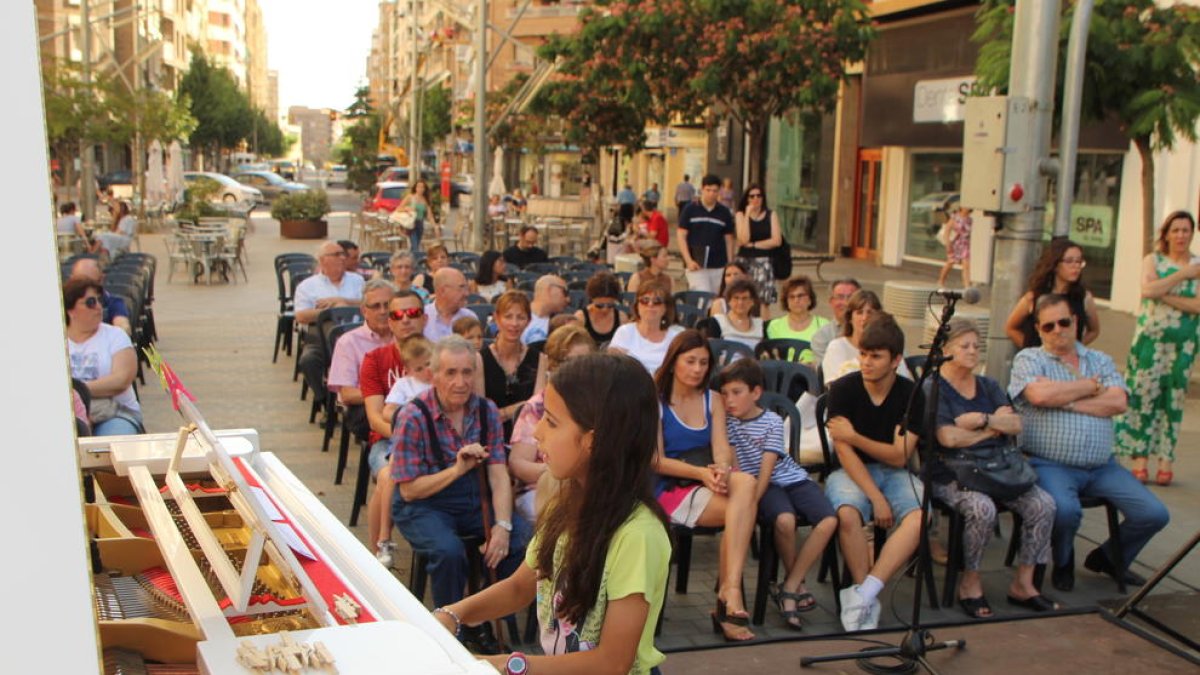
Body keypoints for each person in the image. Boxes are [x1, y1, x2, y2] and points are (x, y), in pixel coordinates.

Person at [432, 352, 670, 674]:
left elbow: (612, 662)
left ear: (593, 442)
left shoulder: (637, 536)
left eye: (552, 421)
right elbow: (520, 587)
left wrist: (506, 665)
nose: (537, 432)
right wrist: (451, 614)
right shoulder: (566, 503)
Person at [1008, 294, 1169, 593]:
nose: (1057, 330)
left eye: (1064, 322)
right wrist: (1090, 388)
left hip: (1102, 466)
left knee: (1154, 514)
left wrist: (1065, 401)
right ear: (1039, 330)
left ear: (1076, 322)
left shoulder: (1101, 360)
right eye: (1048, 326)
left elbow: (1119, 401)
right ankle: (1064, 560)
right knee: (1066, 511)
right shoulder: (1030, 359)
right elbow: (1040, 397)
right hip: (1050, 462)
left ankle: (1108, 557)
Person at [390, 336, 529, 650]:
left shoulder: (486, 411)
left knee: (521, 541)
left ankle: (476, 616)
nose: (461, 381)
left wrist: (503, 526)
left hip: (472, 498)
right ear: (434, 375)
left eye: (467, 372)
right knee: (448, 551)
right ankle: (447, 631)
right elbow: (409, 490)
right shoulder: (414, 416)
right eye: (451, 373)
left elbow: (497, 473)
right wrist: (456, 469)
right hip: (424, 504)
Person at [929, 318, 1058, 617]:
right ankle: (970, 581)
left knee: (1044, 504)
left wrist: (982, 421)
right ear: (946, 350)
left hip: (997, 468)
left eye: (977, 346)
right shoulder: (934, 388)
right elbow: (948, 437)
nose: (974, 352)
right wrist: (993, 428)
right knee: (982, 509)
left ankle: (1023, 584)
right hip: (952, 472)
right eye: (965, 346)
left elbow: (1014, 423)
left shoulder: (988, 385)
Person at [652, 330, 758, 641]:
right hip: (670, 487)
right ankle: (728, 597)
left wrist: (722, 469)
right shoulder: (656, 400)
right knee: (742, 510)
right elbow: (654, 460)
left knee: (743, 487)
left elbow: (722, 446)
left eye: (703, 362)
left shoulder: (712, 399)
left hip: (708, 481)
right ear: (673, 363)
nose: (697, 369)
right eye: (690, 361)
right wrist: (702, 474)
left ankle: (730, 588)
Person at [718, 359, 836, 630]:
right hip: (760, 486)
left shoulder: (771, 421)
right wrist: (748, 504)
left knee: (829, 520)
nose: (729, 400)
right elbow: (737, 467)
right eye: (725, 394)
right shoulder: (729, 424)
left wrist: (750, 501)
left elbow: (770, 466)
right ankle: (794, 591)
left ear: (756, 393)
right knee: (785, 521)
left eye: (737, 392)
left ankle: (792, 584)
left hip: (789, 479)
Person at [824, 313, 924, 632]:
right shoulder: (842, 388)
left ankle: (867, 593)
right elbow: (844, 452)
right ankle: (860, 591)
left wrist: (854, 436)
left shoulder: (912, 394)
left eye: (876, 356)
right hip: (851, 471)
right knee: (848, 514)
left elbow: (899, 456)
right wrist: (875, 497)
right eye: (863, 354)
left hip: (895, 473)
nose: (866, 362)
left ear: (895, 360)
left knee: (922, 516)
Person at [1115, 211, 1200, 486]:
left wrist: (1163, 292)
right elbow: (1147, 290)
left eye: (1186, 230)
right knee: (1143, 395)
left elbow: (1198, 306)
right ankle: (1140, 459)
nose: (1181, 236)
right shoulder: (1153, 260)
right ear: (1166, 234)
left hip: (1182, 344)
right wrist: (1183, 275)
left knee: (1173, 399)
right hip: (1150, 341)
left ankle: (1166, 460)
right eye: (1175, 230)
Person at [359, 290, 428, 566]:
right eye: (397, 315)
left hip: (435, 441)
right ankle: (377, 551)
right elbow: (376, 418)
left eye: (412, 313)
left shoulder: (439, 355)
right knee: (388, 475)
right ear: (390, 322)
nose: (405, 320)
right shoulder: (375, 360)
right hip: (388, 441)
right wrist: (410, 437)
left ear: (424, 318)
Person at [509, 325, 596, 523]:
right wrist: (558, 472)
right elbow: (518, 463)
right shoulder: (537, 407)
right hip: (540, 486)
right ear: (554, 366)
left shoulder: (600, 404)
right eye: (572, 362)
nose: (580, 370)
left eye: (586, 363)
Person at [63, 278, 142, 436]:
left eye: (100, 301)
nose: (98, 307)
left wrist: (77, 390)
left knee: (112, 445)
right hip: (70, 412)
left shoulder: (115, 336)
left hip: (115, 413)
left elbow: (121, 380)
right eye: (91, 302)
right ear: (70, 310)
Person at [326, 279, 397, 441]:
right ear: (364, 311)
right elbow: (348, 394)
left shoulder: (406, 337)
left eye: (388, 305)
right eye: (376, 306)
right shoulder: (348, 342)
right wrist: (385, 395)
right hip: (362, 408)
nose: (383, 311)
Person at [1003, 238, 1100, 348]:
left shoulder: (1084, 297)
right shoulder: (1033, 297)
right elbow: (1011, 328)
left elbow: (1094, 331)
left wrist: (1075, 348)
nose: (1075, 266)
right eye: (1069, 261)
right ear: (1055, 265)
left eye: (1079, 261)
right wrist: (1030, 349)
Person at [478, 291, 542, 438]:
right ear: (497, 318)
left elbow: (537, 412)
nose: (514, 323)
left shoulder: (538, 359)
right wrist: (518, 408)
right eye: (508, 316)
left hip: (527, 439)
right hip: (490, 438)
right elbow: (481, 416)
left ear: (528, 321)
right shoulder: (480, 359)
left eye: (520, 317)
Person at [822, 291, 913, 386]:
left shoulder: (890, 348)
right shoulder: (837, 347)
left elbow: (905, 381)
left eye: (870, 312)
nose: (865, 318)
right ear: (850, 318)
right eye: (859, 313)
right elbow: (834, 386)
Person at [609, 280, 684, 375]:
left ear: (666, 308)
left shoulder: (677, 335)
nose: (650, 305)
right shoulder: (625, 332)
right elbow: (614, 369)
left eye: (657, 301)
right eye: (645, 300)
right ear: (637, 306)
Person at [678, 174, 735, 295]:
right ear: (702, 189)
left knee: (717, 299)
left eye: (715, 191)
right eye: (708, 190)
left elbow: (729, 239)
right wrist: (688, 260)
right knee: (703, 296)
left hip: (718, 265)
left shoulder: (724, 213)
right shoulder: (690, 209)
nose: (711, 194)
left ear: (719, 191)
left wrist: (730, 264)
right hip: (696, 264)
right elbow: (681, 235)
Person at [294, 241, 365, 325]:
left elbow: (369, 304)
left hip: (356, 331)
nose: (342, 258)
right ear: (322, 260)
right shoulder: (307, 286)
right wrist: (333, 311)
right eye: (337, 254)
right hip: (323, 334)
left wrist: (345, 302)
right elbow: (300, 316)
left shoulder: (357, 280)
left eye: (343, 254)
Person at [734, 184, 782, 307]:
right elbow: (744, 239)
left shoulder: (771, 215)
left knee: (763, 302)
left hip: (764, 262)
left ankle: (764, 325)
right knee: (743, 298)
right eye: (752, 196)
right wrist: (747, 215)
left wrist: (755, 244)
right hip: (745, 261)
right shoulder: (740, 215)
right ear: (747, 199)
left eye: (759, 196)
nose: (756, 199)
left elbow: (776, 240)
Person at [765, 276, 829, 365]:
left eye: (800, 296)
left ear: (810, 299)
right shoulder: (774, 326)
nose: (796, 300)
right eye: (791, 297)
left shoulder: (823, 325)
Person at [69, 258, 132, 335]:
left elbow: (123, 326)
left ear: (102, 279)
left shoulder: (113, 303)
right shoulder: (66, 305)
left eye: (91, 284)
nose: (85, 289)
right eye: (79, 283)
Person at [809, 278, 863, 364]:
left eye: (851, 297)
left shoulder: (873, 332)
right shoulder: (822, 337)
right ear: (831, 301)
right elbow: (827, 370)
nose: (846, 303)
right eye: (840, 297)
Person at [704, 279, 764, 351]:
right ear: (729, 301)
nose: (740, 303)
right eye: (736, 298)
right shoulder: (717, 322)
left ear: (752, 302)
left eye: (744, 298)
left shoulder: (760, 325)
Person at [573, 272, 628, 345]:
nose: (605, 310)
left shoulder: (621, 318)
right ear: (592, 300)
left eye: (610, 305)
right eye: (599, 306)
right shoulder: (580, 318)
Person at [423, 267, 476, 342]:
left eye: (466, 287)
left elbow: (476, 350)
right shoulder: (421, 316)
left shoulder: (470, 317)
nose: (466, 293)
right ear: (443, 291)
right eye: (461, 287)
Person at [522, 275, 569, 345]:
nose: (568, 299)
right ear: (550, 290)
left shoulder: (562, 323)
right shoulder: (515, 317)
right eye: (564, 292)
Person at [937, 206, 972, 288]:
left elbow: (968, 233)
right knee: (950, 262)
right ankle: (941, 280)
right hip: (955, 243)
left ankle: (967, 286)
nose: (968, 209)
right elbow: (947, 230)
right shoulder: (955, 217)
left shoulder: (970, 220)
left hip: (965, 244)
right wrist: (947, 244)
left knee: (966, 264)